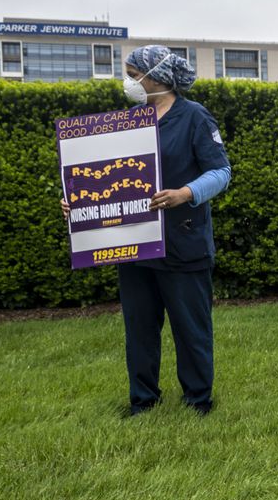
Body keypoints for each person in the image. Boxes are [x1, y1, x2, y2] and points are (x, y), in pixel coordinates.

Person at [62, 45, 231, 414]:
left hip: (183, 241)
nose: (129, 81)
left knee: (191, 330)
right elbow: (106, 175)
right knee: (139, 330)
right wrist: (80, 204)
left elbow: (221, 173)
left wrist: (185, 193)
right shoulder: (128, 121)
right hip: (134, 245)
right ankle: (143, 401)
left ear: (154, 76)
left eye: (132, 73)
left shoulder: (195, 117)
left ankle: (198, 401)